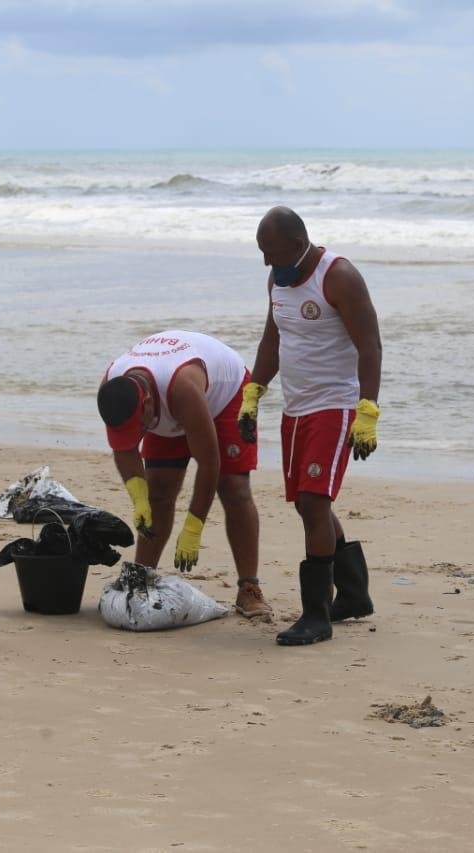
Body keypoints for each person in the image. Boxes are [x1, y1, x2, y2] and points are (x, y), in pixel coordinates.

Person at [239, 206, 382, 646]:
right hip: (295, 409)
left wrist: (367, 411)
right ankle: (354, 595)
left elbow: (370, 345)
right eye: (261, 252)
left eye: (272, 252)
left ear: (298, 246)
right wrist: (253, 393)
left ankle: (316, 615)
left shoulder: (338, 277)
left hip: (334, 407)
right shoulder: (277, 281)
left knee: (313, 502)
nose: (266, 262)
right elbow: (273, 339)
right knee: (304, 505)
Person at [97, 330, 272, 620]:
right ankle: (141, 577)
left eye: (139, 425)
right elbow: (124, 448)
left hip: (225, 395)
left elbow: (210, 463)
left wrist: (193, 527)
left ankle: (249, 588)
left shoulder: (182, 388)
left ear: (148, 402)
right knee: (158, 493)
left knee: (233, 488)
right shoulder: (113, 386)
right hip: (170, 404)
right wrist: (138, 497)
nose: (138, 433)